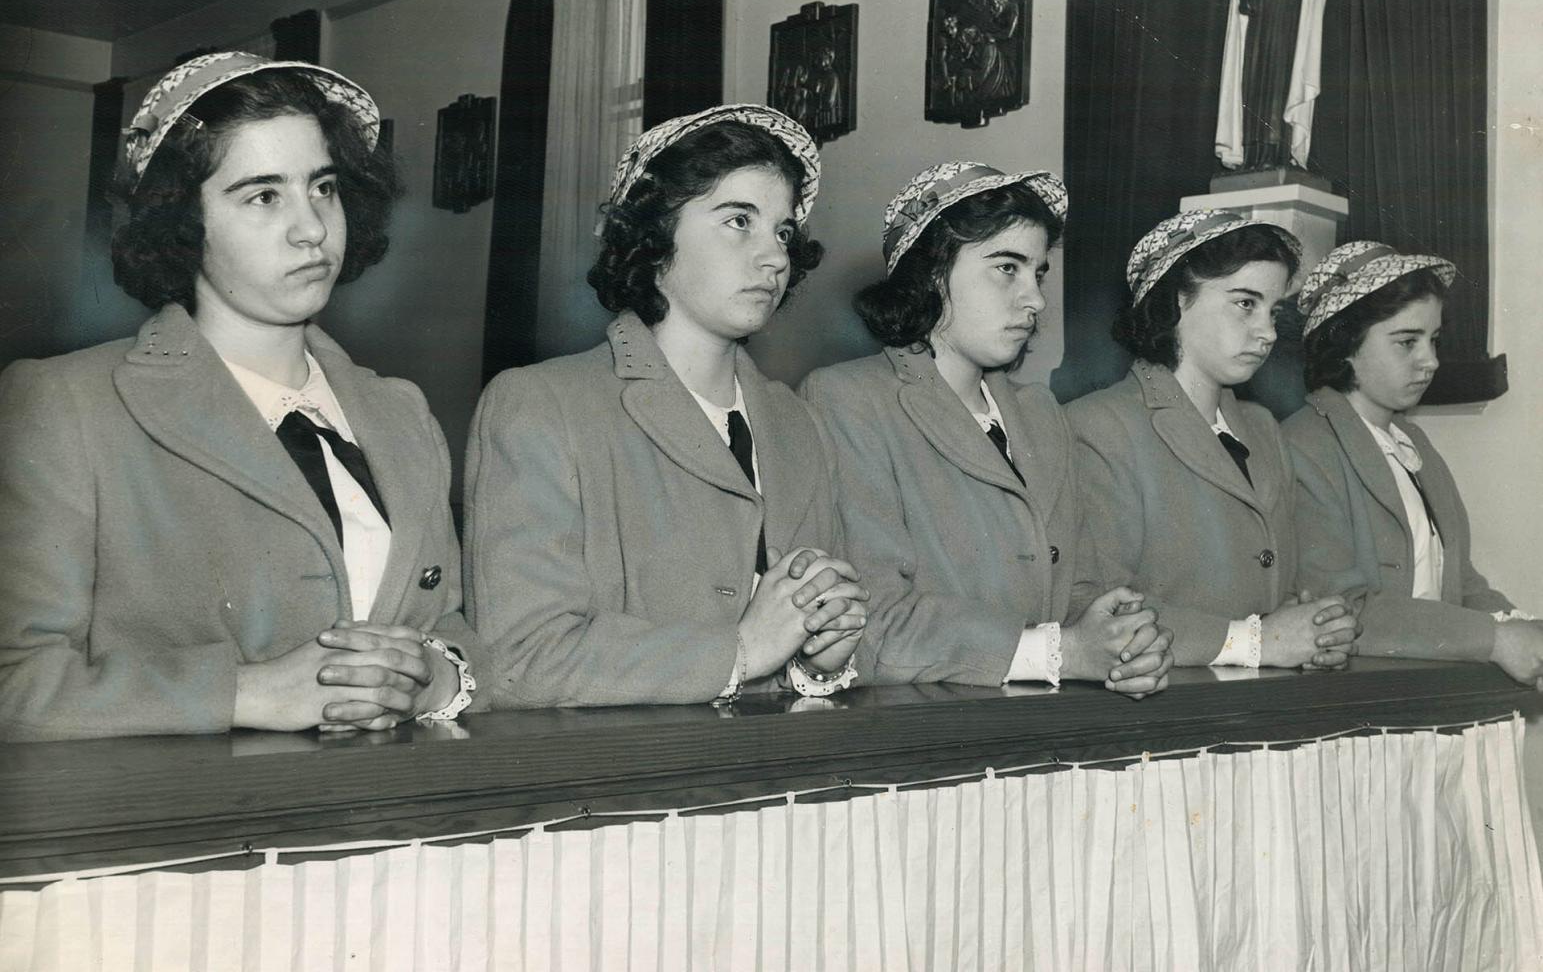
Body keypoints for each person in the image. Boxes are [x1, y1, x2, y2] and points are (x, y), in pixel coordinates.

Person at [0, 52, 479, 741]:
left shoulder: (401, 411)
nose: (311, 227)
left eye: (322, 187)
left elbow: (454, 629)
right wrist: (243, 693)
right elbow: (16, 680)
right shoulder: (66, 404)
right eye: (263, 196)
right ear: (182, 224)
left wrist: (433, 677)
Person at [465, 104, 865, 707]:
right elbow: (519, 659)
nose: (776, 256)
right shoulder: (540, 405)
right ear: (654, 238)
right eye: (738, 221)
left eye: (783, 231)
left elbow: (783, 649)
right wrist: (743, 651)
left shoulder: (795, 420)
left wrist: (817, 660)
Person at [799, 162, 1173, 694]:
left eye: (1038, 272)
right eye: (1006, 268)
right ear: (931, 272)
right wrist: (1063, 651)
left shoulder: (1040, 414)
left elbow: (1080, 588)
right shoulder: (847, 399)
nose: (1035, 299)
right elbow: (870, 622)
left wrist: (1125, 639)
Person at [1067, 209, 1359, 669]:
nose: (1266, 333)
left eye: (1273, 310)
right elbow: (1105, 613)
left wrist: (1316, 631)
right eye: (1245, 303)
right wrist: (1260, 641)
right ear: (1176, 302)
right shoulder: (1099, 426)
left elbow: (1285, 591)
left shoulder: (1262, 428)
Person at [1285, 242, 1541, 686]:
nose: (1431, 361)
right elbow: (1345, 608)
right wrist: (1497, 640)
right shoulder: (1302, 445)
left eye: (1434, 340)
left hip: (1428, 686)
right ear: (1345, 345)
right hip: (1354, 698)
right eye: (1407, 342)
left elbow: (1461, 586)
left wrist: (1526, 628)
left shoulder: (1412, 442)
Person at [1215, 0, 1331, 170]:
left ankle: (1278, 154)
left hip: (1287, 32)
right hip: (1257, 31)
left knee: (1280, 88)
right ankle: (1253, 155)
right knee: (1253, 87)